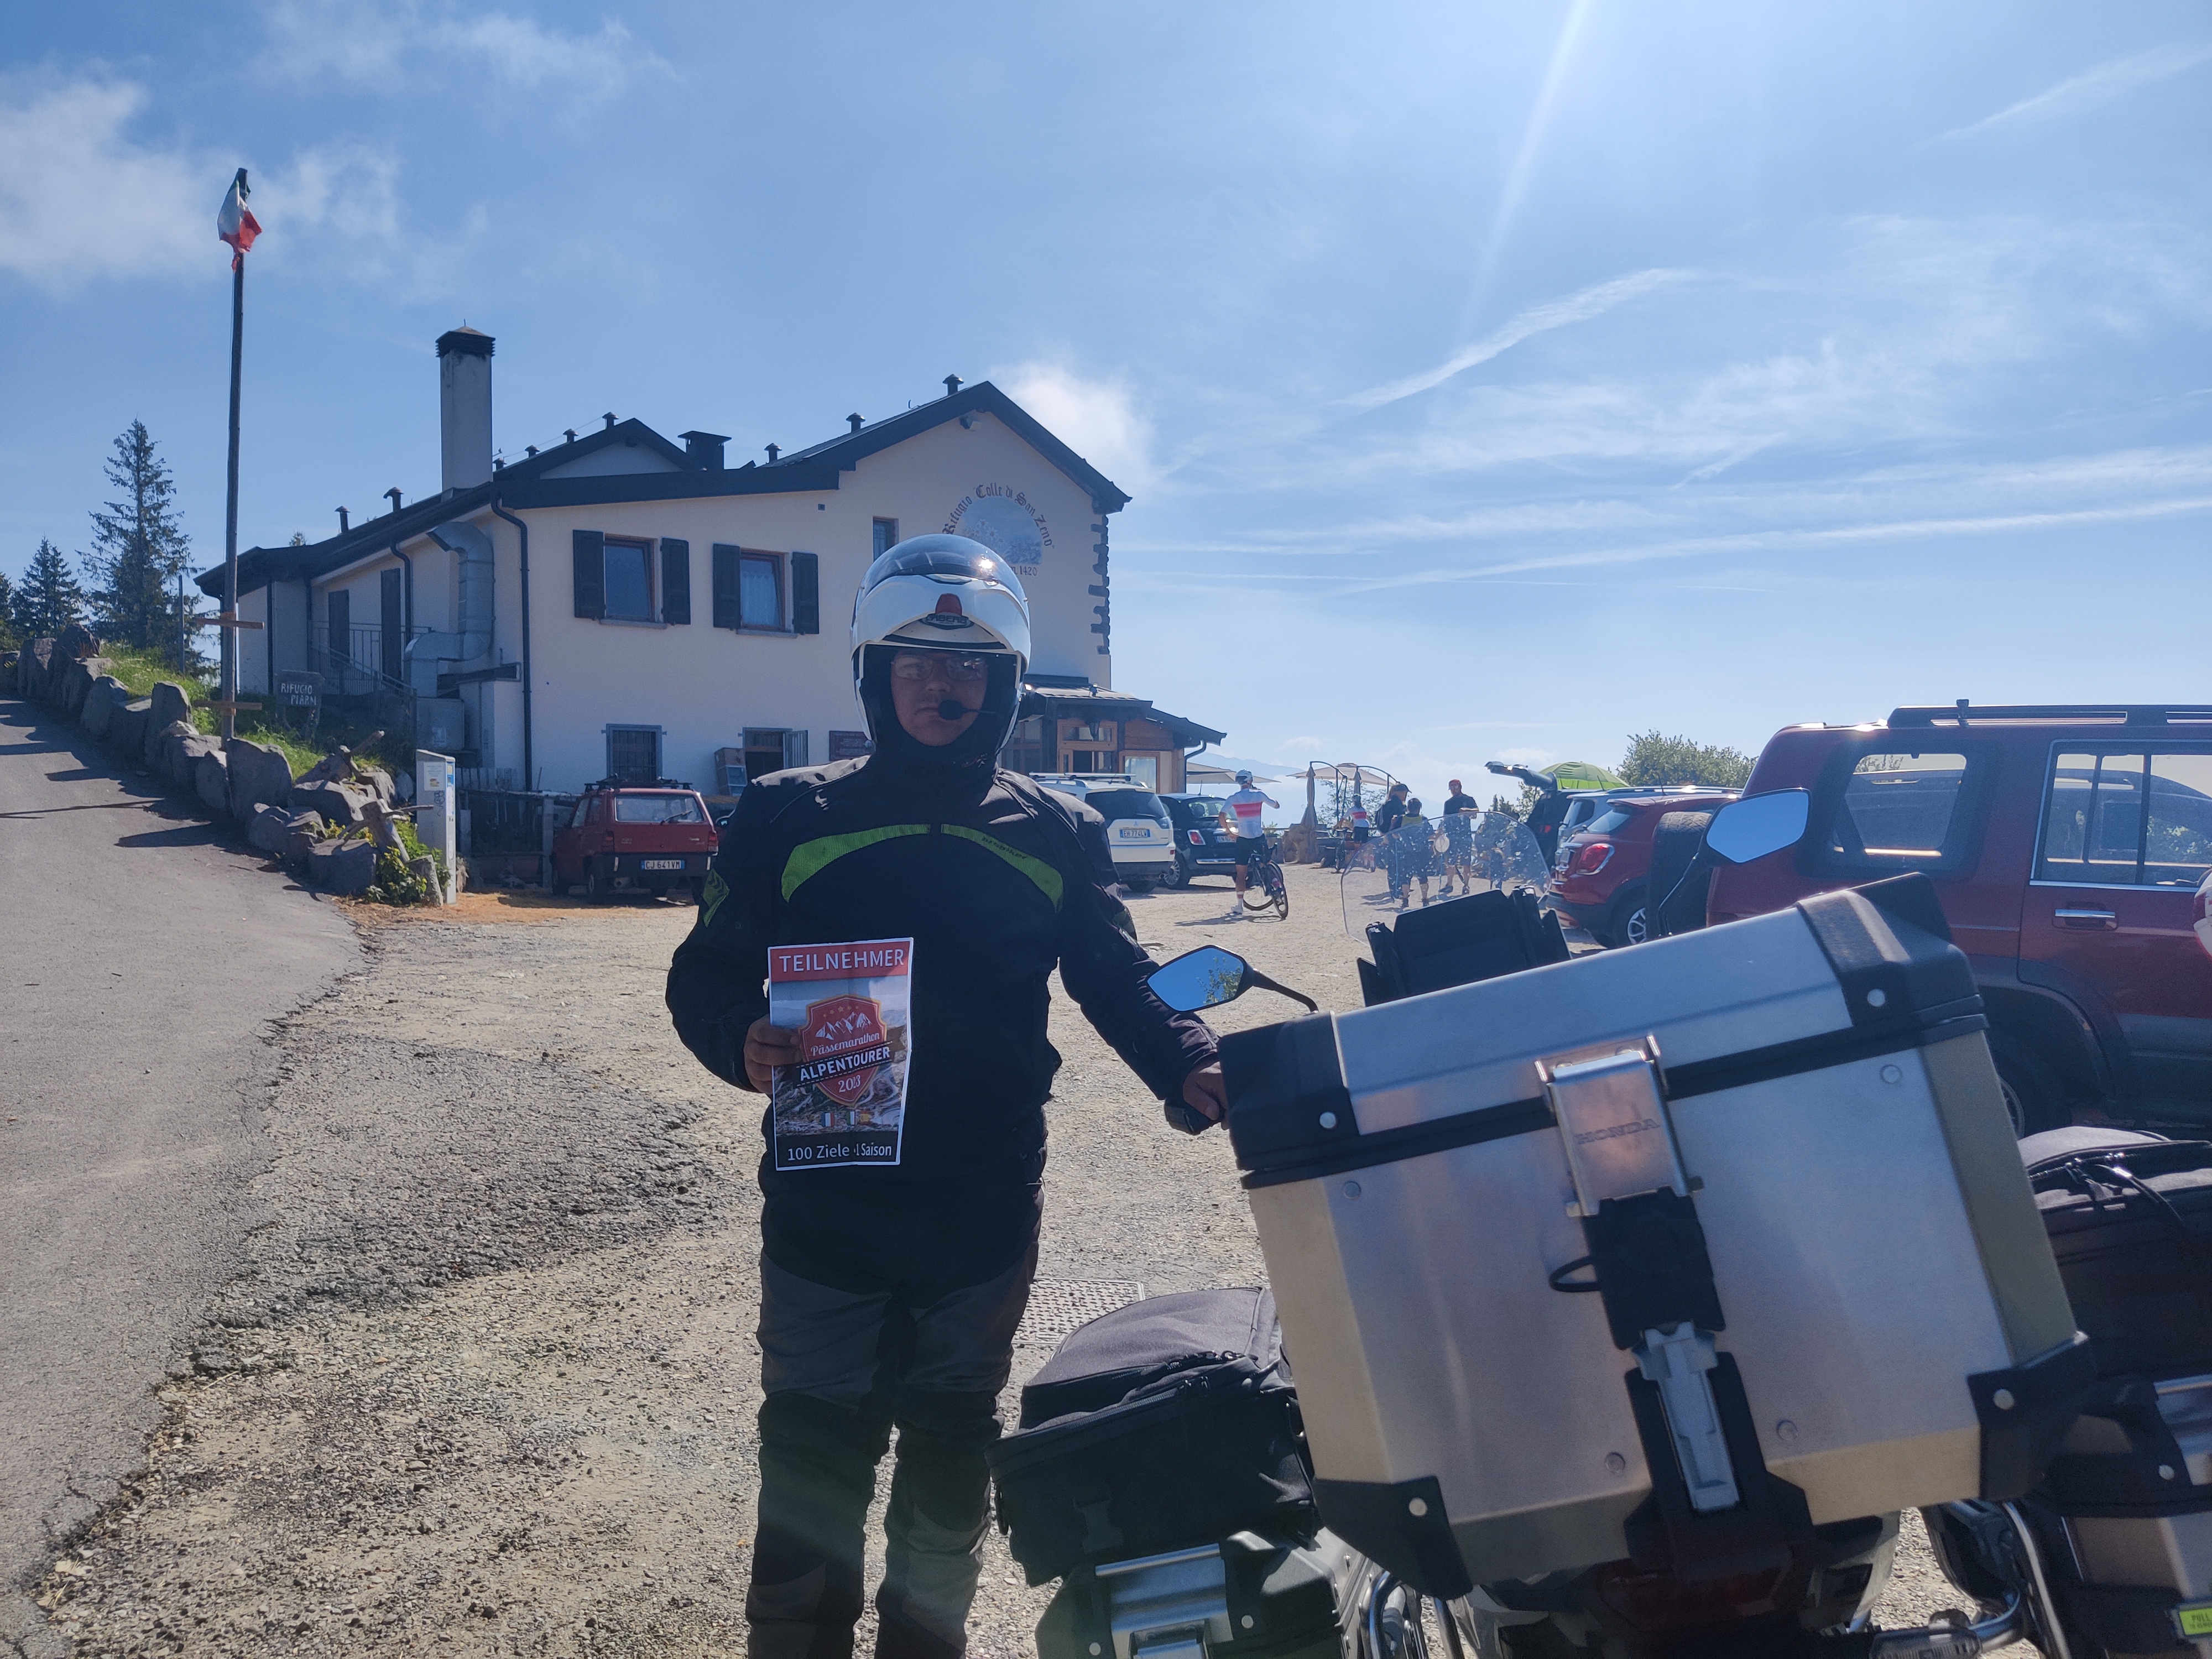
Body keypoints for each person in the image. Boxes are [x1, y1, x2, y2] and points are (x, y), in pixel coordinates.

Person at [666, 535, 1226, 1659]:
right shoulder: (786, 813)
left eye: (970, 666)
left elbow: (1116, 975)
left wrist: (1191, 1058)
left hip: (982, 1204)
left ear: (1006, 684)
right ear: (872, 675)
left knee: (950, 1451)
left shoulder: (1055, 827)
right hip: (828, 1200)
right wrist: (739, 1039)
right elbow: (704, 974)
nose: (943, 685)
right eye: (916, 662)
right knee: (811, 1455)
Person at [1220, 769, 1281, 917]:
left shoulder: (1234, 798)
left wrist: (1229, 832)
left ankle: (1239, 906)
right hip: (1258, 837)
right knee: (1266, 864)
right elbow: (1276, 805)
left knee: (1241, 873)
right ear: (1250, 781)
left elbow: (1222, 815)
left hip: (1243, 839)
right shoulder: (1259, 795)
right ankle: (1277, 887)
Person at [1439, 778, 1479, 895]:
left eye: (1455, 787)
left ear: (1460, 787)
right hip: (1451, 836)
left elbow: (1476, 812)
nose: (1453, 790)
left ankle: (1466, 885)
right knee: (1450, 862)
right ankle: (1449, 884)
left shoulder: (1469, 800)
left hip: (1465, 835)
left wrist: (1465, 811)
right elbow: (1445, 818)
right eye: (1451, 788)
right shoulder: (1448, 803)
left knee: (1466, 862)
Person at [1395, 796, 1434, 908]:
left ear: (1408, 808)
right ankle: (1425, 899)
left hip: (1405, 852)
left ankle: (1405, 899)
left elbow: (1394, 834)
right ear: (1419, 808)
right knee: (1422, 876)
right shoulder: (1423, 820)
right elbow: (1430, 835)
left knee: (1405, 876)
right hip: (1421, 853)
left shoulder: (1401, 819)